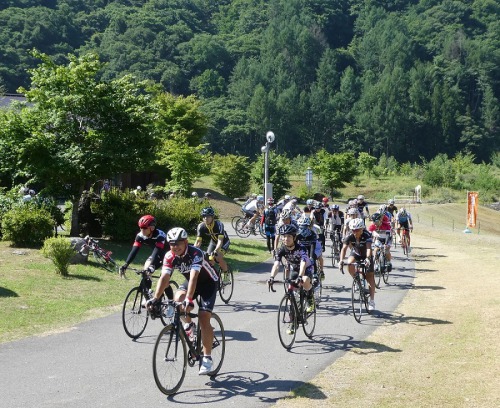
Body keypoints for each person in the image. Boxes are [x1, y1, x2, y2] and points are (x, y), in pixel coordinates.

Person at [147, 227, 219, 375]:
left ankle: (207, 358)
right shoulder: (169, 256)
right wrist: (155, 298)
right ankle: (189, 325)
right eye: (172, 244)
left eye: (178, 243)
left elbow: (193, 277)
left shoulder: (195, 253)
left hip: (208, 283)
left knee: (204, 317)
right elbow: (164, 278)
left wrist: (189, 299)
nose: (175, 247)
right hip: (192, 283)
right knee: (177, 299)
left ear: (186, 242)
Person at [267, 224, 315, 320]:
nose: (286, 239)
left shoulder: (301, 248)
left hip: (306, 268)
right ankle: (293, 320)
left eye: (289, 236)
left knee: (304, 280)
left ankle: (310, 299)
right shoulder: (282, 250)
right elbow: (276, 265)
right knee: (290, 292)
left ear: (294, 237)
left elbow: (303, 263)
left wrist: (300, 276)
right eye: (284, 236)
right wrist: (272, 277)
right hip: (294, 270)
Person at [339, 218, 376, 311]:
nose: (355, 232)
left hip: (366, 254)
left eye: (357, 230)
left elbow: (368, 249)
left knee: (370, 277)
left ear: (362, 229)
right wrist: (341, 260)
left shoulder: (367, 235)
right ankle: (356, 279)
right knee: (349, 263)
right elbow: (344, 249)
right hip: (356, 253)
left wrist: (367, 259)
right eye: (353, 230)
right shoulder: (349, 235)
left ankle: (372, 301)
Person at [119, 215, 169, 280]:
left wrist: (151, 265)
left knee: (164, 281)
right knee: (145, 272)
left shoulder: (160, 236)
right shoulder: (140, 236)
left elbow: (156, 251)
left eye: (145, 228)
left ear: (152, 228)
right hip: (158, 255)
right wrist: (126, 264)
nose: (142, 230)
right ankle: (147, 290)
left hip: (169, 256)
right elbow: (134, 251)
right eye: (140, 228)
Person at [194, 207, 230, 273]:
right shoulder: (201, 226)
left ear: (212, 217)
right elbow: (198, 242)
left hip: (224, 242)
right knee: (209, 259)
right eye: (204, 216)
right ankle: (213, 276)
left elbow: (220, 241)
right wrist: (193, 251)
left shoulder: (219, 225)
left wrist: (216, 251)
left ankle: (226, 273)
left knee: (218, 257)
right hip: (213, 242)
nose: (206, 218)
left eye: (208, 216)